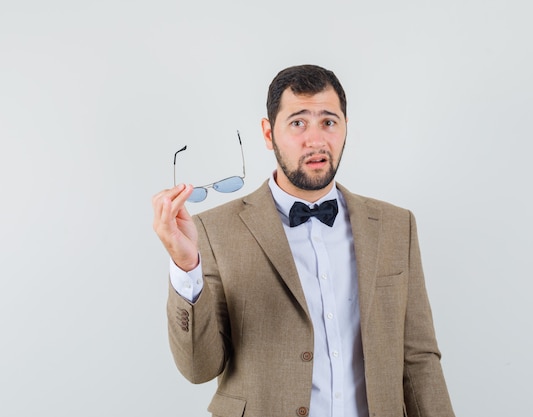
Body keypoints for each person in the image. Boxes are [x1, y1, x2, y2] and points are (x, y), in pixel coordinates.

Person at [152, 64, 455, 417]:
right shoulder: (214, 230)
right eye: (298, 123)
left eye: (329, 122)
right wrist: (187, 267)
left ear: (345, 128)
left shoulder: (395, 226)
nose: (316, 140)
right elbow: (198, 368)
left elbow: (419, 359)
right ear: (268, 133)